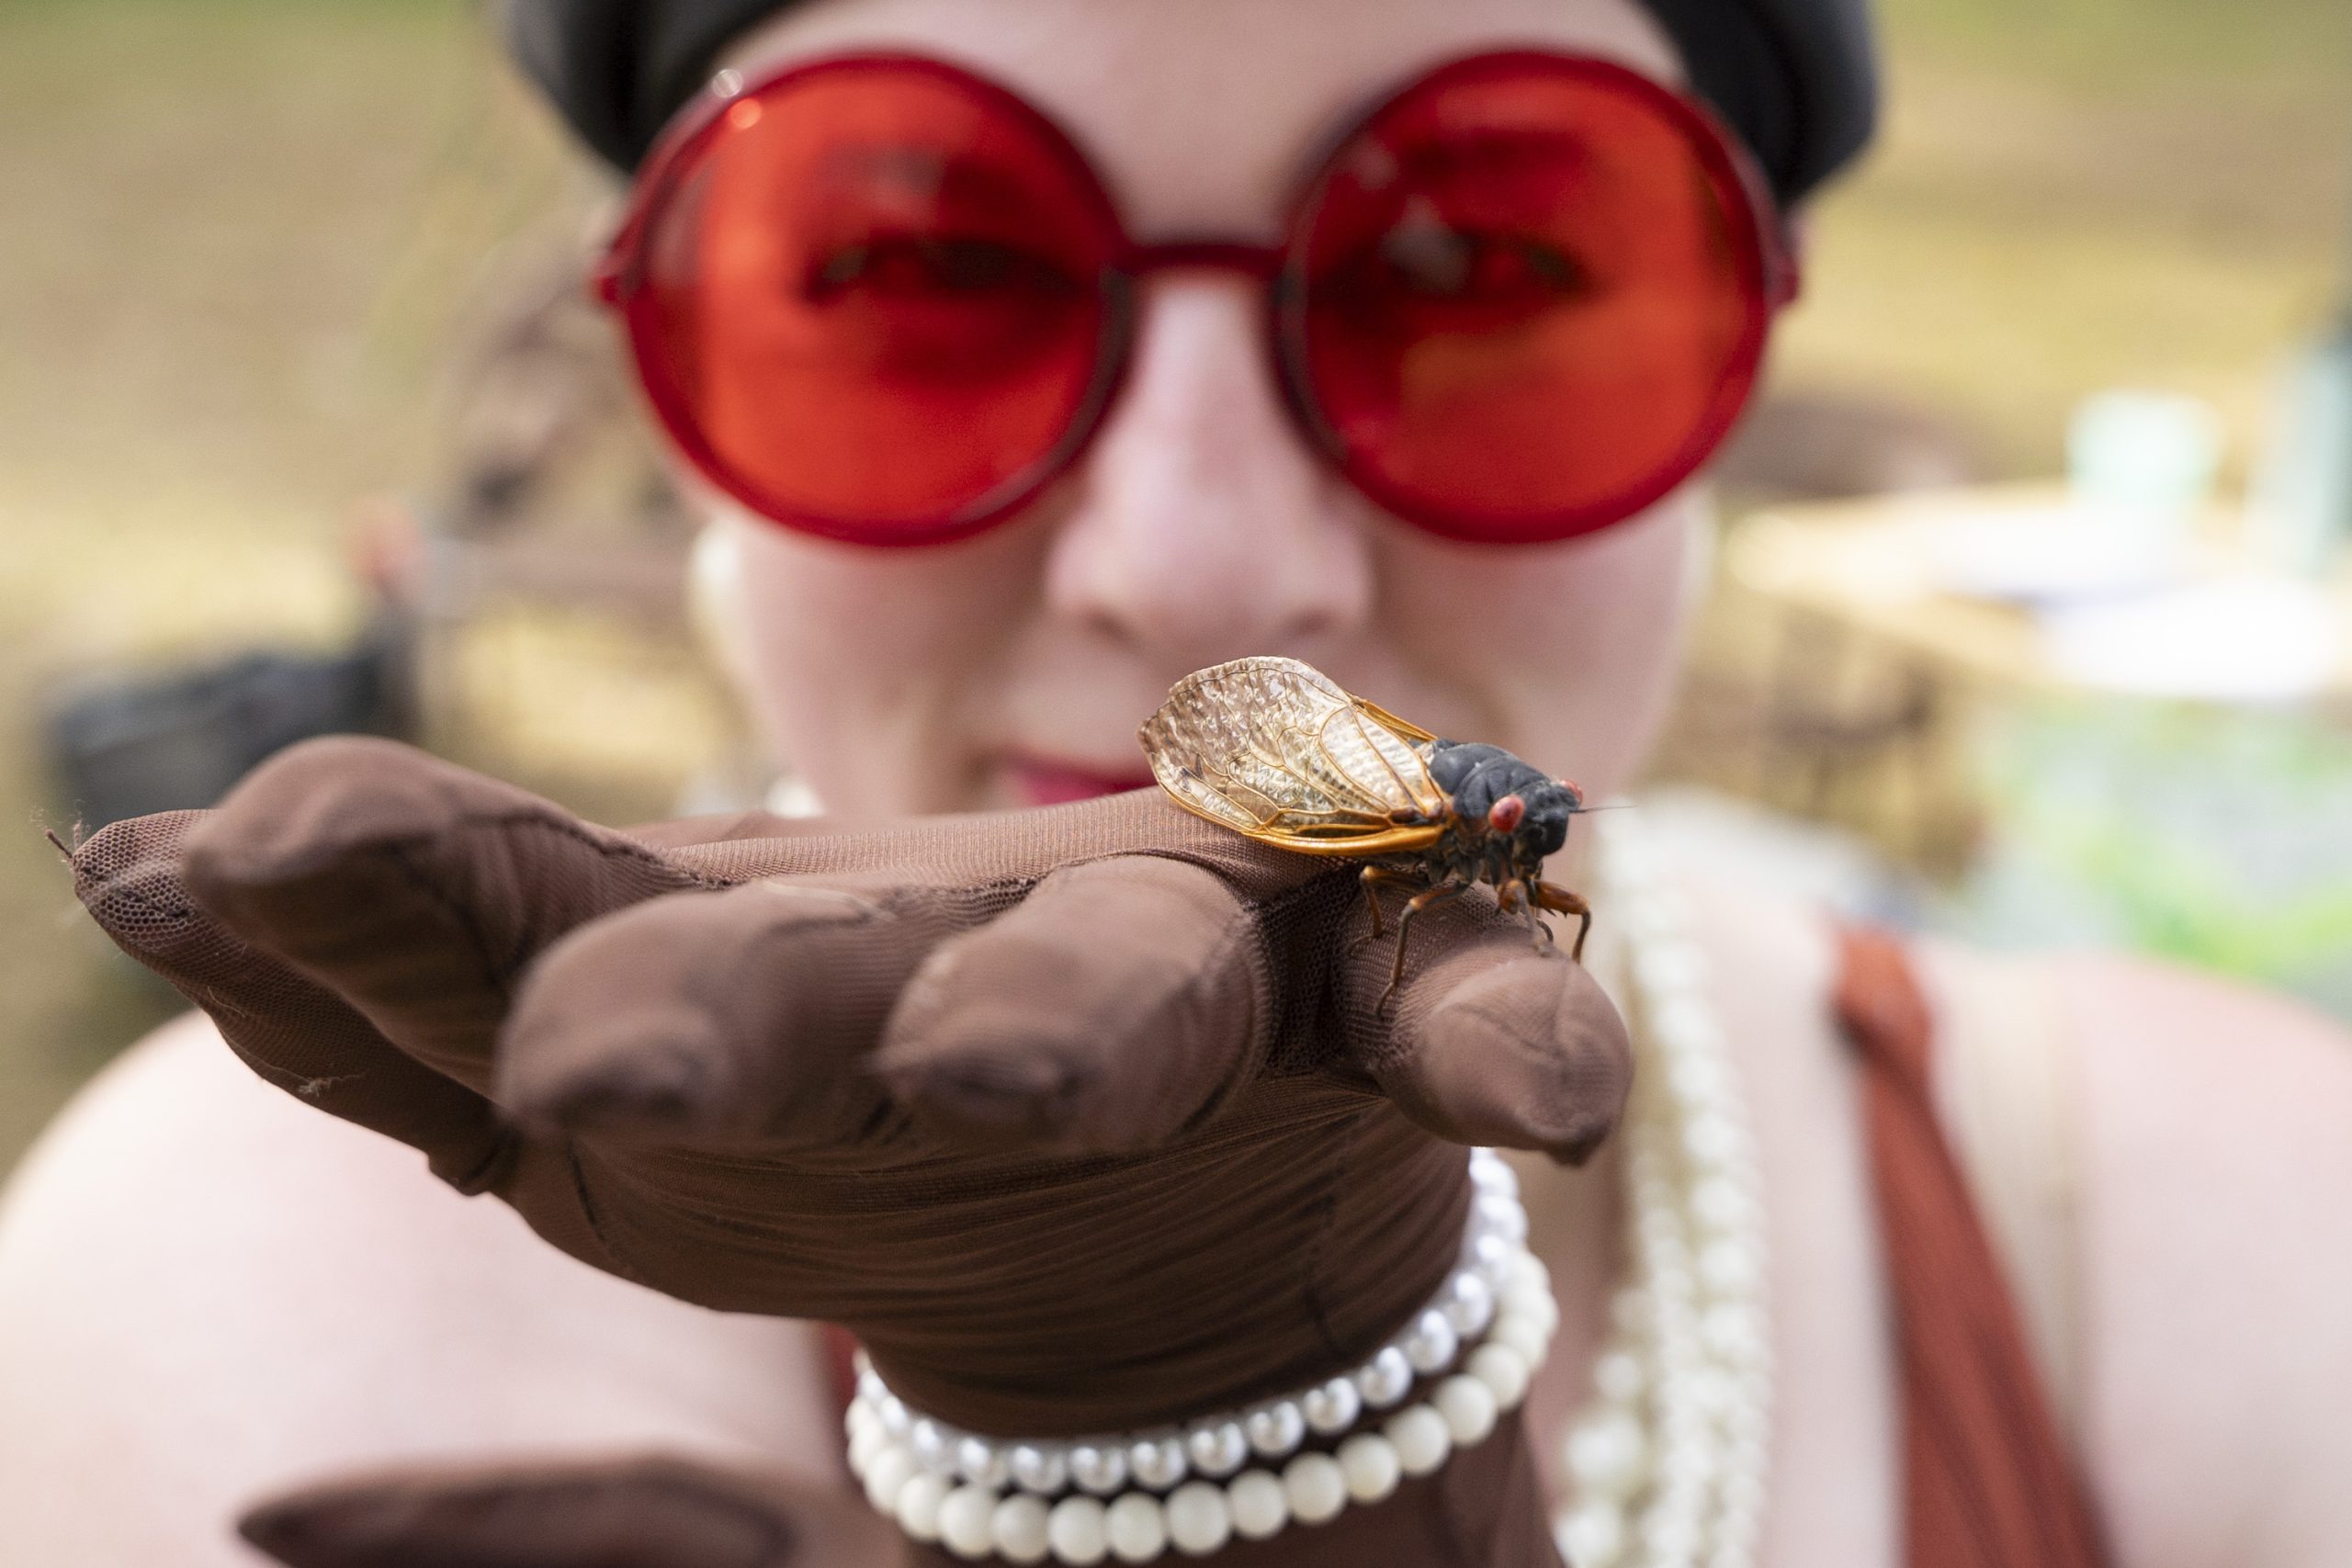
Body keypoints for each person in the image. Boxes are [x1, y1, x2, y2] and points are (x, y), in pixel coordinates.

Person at [4, 0, 2350, 1563]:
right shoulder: (239, 1289)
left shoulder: (2236, 1245)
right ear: (663, 352)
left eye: (1479, 261)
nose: (1197, 553)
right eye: (921, 261)